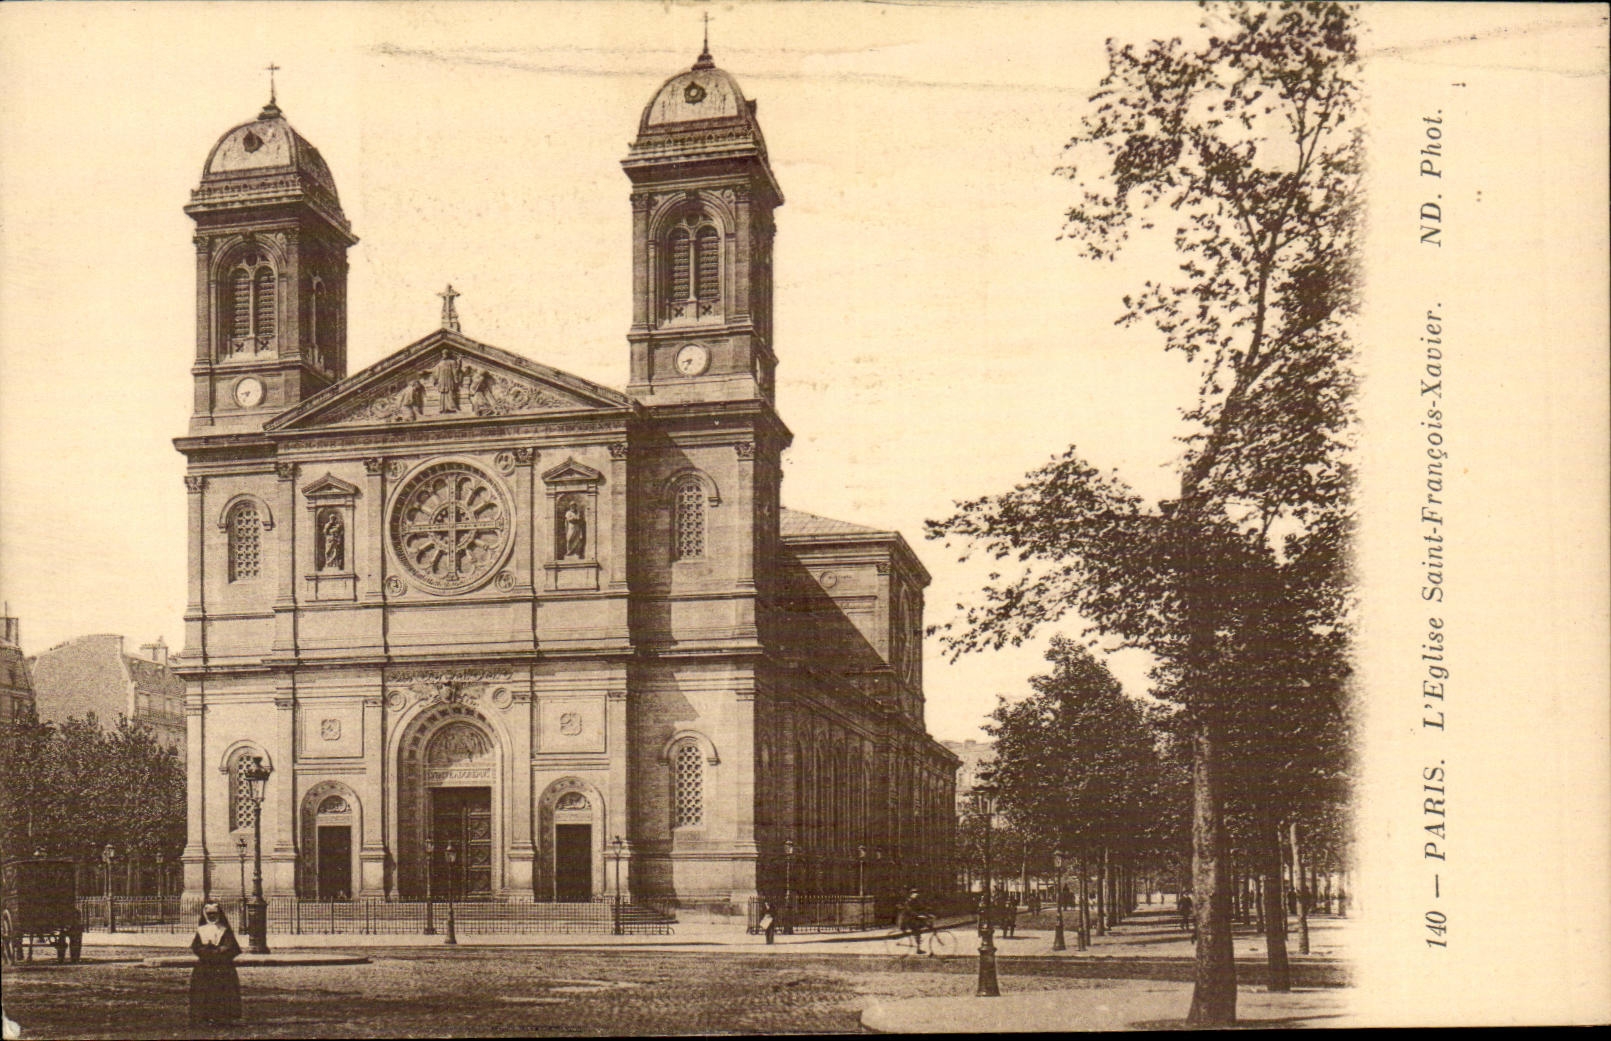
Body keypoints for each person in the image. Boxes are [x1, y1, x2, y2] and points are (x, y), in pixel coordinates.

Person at [189, 902, 242, 1026]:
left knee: (221, 990)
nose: (212, 916)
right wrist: (205, 951)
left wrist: (218, 951)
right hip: (205, 965)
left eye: (214, 913)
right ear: (205, 914)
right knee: (203, 990)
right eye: (209, 914)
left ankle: (222, 1016)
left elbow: (231, 947)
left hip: (222, 966)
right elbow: (196, 946)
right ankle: (203, 1016)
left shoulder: (224, 929)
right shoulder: (201, 930)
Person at [896, 889, 935, 955]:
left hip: (913, 919)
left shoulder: (916, 901)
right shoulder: (908, 902)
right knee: (917, 930)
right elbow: (910, 911)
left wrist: (928, 913)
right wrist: (919, 916)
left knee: (925, 923)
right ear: (911, 895)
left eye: (916, 893)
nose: (916, 895)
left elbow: (921, 908)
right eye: (914, 893)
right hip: (907, 920)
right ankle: (918, 949)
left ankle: (920, 941)